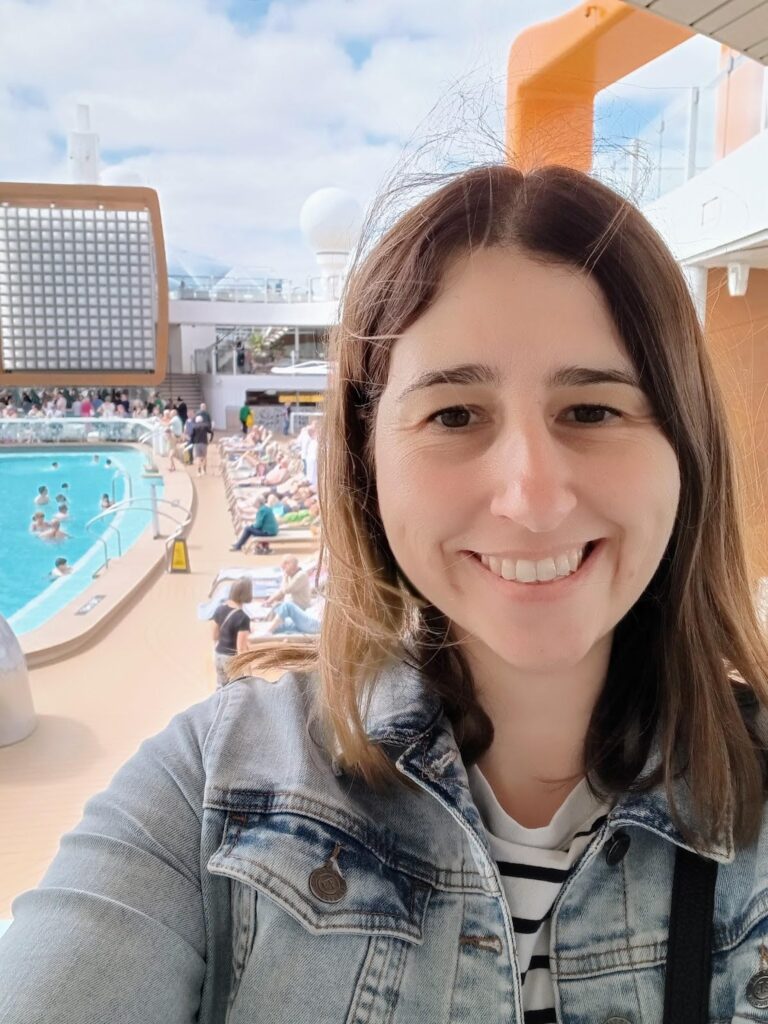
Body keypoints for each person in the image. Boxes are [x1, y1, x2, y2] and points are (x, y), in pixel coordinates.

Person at [4, 164, 768, 1023]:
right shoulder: (210, 791)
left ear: (686, 446)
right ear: (367, 464)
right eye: (453, 415)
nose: (531, 497)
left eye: (591, 411)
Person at [210, 579, 253, 689]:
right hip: (231, 660)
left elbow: (214, 636)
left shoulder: (219, 610)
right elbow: (241, 649)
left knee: (221, 689)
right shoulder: (243, 618)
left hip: (218, 655)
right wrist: (249, 674)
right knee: (236, 691)